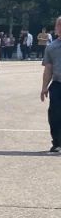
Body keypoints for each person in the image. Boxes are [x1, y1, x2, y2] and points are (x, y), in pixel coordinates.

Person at [41, 16, 61, 154]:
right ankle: (57, 143)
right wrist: (44, 87)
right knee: (54, 115)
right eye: (59, 25)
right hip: (57, 84)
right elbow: (48, 68)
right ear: (56, 28)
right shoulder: (51, 47)